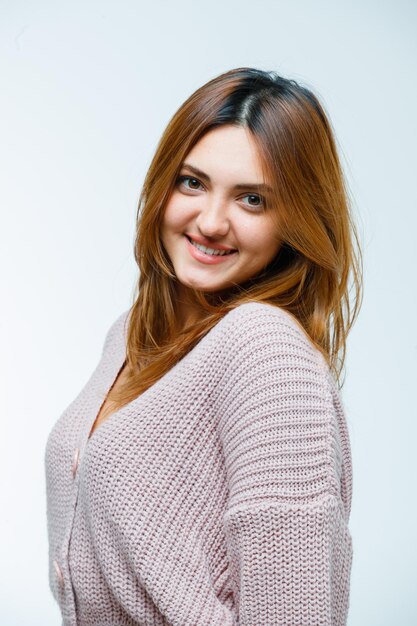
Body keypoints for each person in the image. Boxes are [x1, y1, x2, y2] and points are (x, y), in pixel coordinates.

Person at [44, 66, 363, 626]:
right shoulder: (128, 335)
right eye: (192, 182)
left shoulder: (267, 353)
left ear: (296, 220)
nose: (211, 222)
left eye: (253, 200)